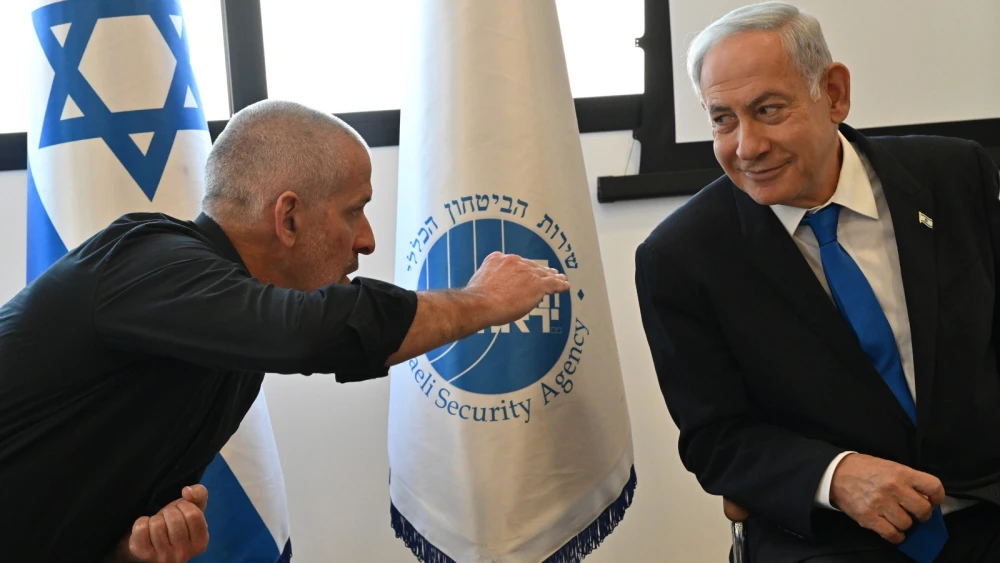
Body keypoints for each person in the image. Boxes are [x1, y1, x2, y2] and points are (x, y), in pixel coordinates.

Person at [0, 100, 570, 563]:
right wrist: (480, 301)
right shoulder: (144, 261)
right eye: (355, 211)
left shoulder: (233, 341)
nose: (367, 240)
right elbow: (314, 333)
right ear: (289, 217)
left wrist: (137, 549)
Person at [634, 3, 1000, 562]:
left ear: (833, 94)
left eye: (768, 109)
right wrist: (835, 476)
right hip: (833, 536)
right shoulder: (681, 258)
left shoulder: (957, 177)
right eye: (722, 119)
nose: (746, 146)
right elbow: (715, 439)